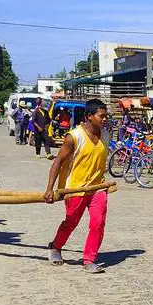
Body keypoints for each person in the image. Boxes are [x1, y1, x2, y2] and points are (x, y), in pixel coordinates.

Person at [44, 98, 109, 274]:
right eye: (101, 116)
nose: (104, 120)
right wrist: (49, 188)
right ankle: (56, 247)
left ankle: (89, 259)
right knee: (71, 221)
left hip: (98, 187)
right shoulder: (74, 137)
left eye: (106, 116)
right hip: (76, 188)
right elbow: (58, 161)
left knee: (98, 222)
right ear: (89, 116)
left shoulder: (105, 135)